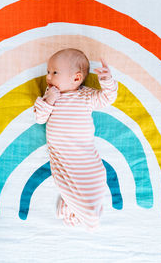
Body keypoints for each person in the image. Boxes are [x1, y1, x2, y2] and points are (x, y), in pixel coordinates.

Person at [33, 48, 118, 232]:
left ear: (76, 78)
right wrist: (47, 101)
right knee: (72, 188)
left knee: (92, 184)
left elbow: (107, 98)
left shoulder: (85, 95)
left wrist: (107, 81)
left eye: (54, 72)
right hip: (63, 160)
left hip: (86, 159)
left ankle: (81, 210)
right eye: (48, 72)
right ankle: (81, 211)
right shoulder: (50, 96)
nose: (48, 77)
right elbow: (40, 118)